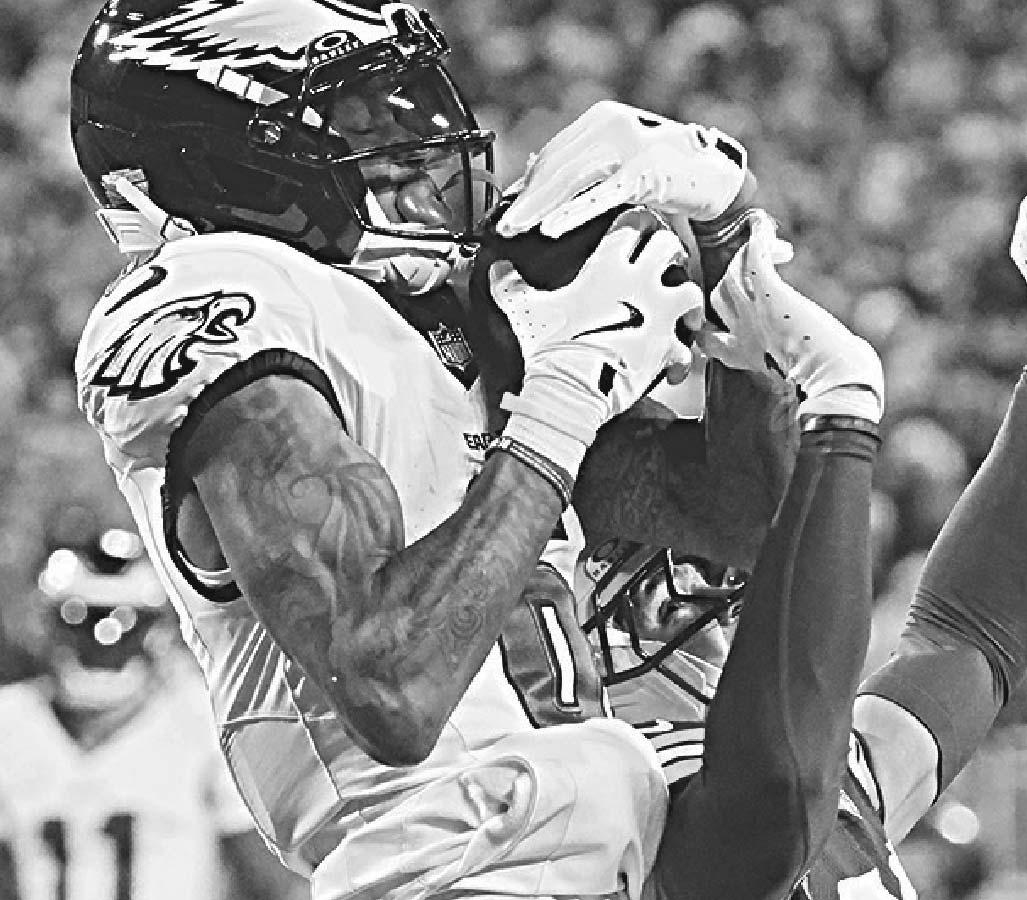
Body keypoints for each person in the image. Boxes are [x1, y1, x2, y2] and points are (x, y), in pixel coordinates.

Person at [68, 2, 884, 899]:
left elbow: (744, 522)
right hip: (447, 865)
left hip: (599, 848)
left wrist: (727, 251)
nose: (414, 150)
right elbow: (392, 687)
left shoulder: (437, 314)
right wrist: (562, 391)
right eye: (358, 127)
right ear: (224, 159)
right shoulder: (218, 295)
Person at [505, 109, 1027, 899]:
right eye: (662, 580)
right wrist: (840, 403)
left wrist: (728, 243)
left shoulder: (841, 793)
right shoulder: (599, 838)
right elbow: (770, 808)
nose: (718, 594)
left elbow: (974, 633)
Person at [0, 525, 305, 900]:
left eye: (121, 621)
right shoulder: (11, 721)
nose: (102, 638)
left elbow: (269, 880)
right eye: (81, 618)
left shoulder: (200, 720)